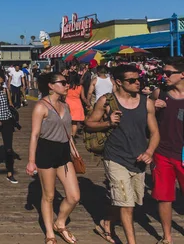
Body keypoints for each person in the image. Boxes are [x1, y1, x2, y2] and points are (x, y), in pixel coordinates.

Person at [85, 64, 159, 244]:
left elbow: (155, 132)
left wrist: (149, 152)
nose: (137, 83)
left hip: (139, 159)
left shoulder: (146, 102)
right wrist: (108, 123)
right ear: (119, 82)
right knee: (127, 205)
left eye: (138, 79)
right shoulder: (106, 101)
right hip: (115, 157)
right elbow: (89, 124)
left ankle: (105, 222)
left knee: (128, 200)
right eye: (131, 80)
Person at [26, 72, 80, 244]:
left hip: (64, 152)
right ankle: (50, 234)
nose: (66, 85)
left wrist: (74, 150)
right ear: (51, 85)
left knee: (74, 196)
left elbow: (69, 133)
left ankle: (60, 222)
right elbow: (34, 135)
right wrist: (31, 161)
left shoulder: (66, 106)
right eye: (63, 82)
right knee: (48, 196)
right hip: (46, 152)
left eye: (67, 82)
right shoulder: (41, 107)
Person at [150, 57, 184, 244]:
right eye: (164, 72)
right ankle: (167, 237)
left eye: (169, 73)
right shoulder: (159, 93)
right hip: (162, 153)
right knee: (164, 197)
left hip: (183, 154)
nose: (165, 76)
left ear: (182, 74)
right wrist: (151, 108)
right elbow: (142, 113)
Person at [65, 72, 87, 139]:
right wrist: (88, 103)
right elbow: (83, 97)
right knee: (75, 123)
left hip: (67, 103)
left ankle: (67, 136)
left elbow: (63, 95)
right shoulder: (80, 87)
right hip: (77, 104)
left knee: (67, 122)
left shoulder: (67, 86)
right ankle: (72, 137)